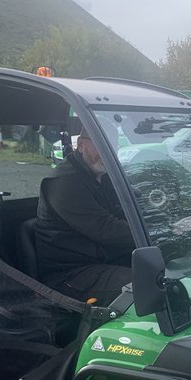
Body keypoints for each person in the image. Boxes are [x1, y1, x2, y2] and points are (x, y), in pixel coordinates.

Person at [35, 127, 135, 305]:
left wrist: (163, 222)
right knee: (146, 285)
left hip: (104, 258)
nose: (107, 152)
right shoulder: (64, 182)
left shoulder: (103, 177)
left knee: (173, 269)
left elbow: (127, 208)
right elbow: (106, 229)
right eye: (100, 145)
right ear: (81, 145)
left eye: (112, 146)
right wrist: (155, 233)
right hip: (71, 272)